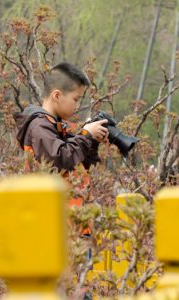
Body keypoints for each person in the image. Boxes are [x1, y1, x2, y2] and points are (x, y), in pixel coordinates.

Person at [13, 62, 109, 232]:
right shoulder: (39, 127)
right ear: (56, 95)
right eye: (76, 99)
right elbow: (60, 158)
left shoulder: (57, 126)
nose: (78, 105)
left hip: (74, 223)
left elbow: (79, 164)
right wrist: (85, 135)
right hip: (57, 227)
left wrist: (92, 140)